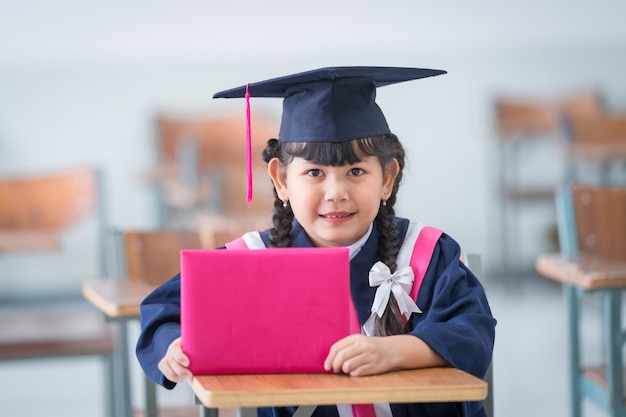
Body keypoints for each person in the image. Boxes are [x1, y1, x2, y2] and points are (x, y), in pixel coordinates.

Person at [136, 66, 496, 417]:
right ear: (281, 180)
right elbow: (165, 310)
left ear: (387, 178)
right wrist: (174, 346)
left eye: (356, 171)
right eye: (314, 173)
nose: (336, 193)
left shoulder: (426, 253)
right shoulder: (250, 262)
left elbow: (472, 332)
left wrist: (394, 351)